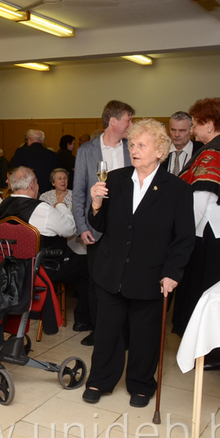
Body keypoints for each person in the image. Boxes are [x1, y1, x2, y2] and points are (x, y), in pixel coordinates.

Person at [82, 119, 195, 407]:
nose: (134, 150)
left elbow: (184, 239)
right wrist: (95, 205)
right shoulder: (115, 179)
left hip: (150, 275)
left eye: (141, 145)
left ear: (160, 151)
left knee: (145, 335)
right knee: (107, 332)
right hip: (112, 271)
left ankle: (141, 384)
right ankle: (99, 380)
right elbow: (100, 224)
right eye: (132, 144)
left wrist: (172, 273)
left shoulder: (177, 189)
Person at [173, 98, 220, 372]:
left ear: (209, 124)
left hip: (213, 235)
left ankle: (213, 354)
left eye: (194, 124)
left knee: (206, 293)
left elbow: (200, 202)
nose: (192, 129)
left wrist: (179, 238)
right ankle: (212, 352)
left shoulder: (213, 154)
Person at [72, 100, 134, 346]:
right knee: (96, 281)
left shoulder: (132, 148)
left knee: (125, 281)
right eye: (128, 120)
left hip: (127, 226)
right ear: (113, 121)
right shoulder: (87, 150)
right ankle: (99, 332)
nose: (131, 125)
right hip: (95, 225)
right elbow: (79, 193)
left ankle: (124, 334)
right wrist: (82, 227)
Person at [0, 167, 90, 331]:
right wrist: (61, 206)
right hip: (44, 268)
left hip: (12, 269)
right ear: (32, 185)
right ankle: (83, 320)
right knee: (90, 266)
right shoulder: (41, 209)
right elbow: (70, 229)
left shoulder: (2, 207)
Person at [9, 130, 60, 194]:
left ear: (30, 139)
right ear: (42, 141)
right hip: (46, 190)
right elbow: (56, 174)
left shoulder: (21, 152)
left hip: (26, 189)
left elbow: (13, 171)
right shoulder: (52, 155)